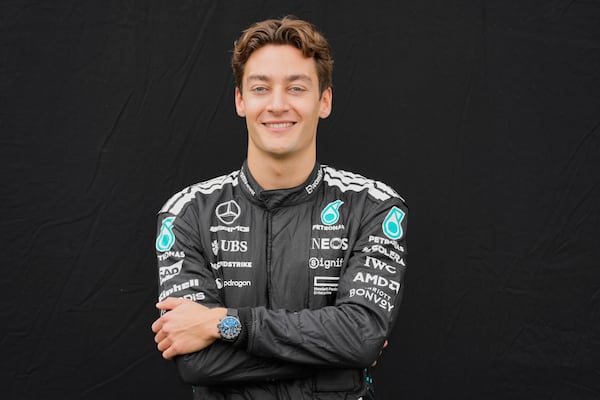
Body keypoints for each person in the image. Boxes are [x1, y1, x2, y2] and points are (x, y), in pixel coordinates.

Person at [151, 15, 408, 400]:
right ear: (240, 100)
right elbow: (196, 363)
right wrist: (339, 353)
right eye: (260, 88)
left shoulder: (374, 206)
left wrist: (224, 324)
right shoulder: (187, 213)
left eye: (296, 88)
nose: (277, 104)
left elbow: (362, 337)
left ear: (324, 101)